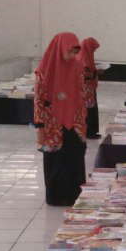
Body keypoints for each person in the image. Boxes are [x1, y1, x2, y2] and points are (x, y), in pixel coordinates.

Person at [34, 32, 87, 206]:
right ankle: (56, 197)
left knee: (74, 158)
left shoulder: (77, 67)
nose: (72, 56)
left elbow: (81, 94)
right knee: (55, 160)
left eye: (75, 52)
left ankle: (74, 196)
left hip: (75, 122)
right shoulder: (45, 70)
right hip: (52, 124)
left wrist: (82, 120)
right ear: (60, 48)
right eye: (70, 51)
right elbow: (39, 100)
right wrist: (39, 125)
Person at [79, 37, 101, 139]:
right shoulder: (83, 57)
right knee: (89, 111)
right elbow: (83, 75)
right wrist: (96, 73)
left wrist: (95, 71)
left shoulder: (87, 56)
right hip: (86, 90)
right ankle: (89, 133)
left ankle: (93, 131)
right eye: (93, 49)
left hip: (90, 89)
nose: (94, 51)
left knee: (92, 110)